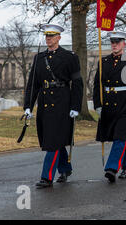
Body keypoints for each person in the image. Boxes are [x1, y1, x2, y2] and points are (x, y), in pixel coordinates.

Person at [23, 24, 83, 188]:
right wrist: (28, 106)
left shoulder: (70, 57)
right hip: (45, 103)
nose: (48, 38)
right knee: (52, 139)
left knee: (54, 141)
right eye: (46, 36)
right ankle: (64, 169)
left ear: (58, 38)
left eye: (51, 36)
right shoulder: (39, 58)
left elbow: (77, 83)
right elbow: (33, 84)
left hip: (62, 102)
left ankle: (46, 177)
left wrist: (76, 106)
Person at [93, 31, 126, 182]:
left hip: (125, 103)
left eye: (117, 42)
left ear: (124, 43)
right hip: (108, 104)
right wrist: (98, 104)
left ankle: (111, 168)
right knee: (115, 137)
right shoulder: (103, 62)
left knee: (120, 136)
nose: (114, 45)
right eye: (112, 42)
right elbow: (97, 85)